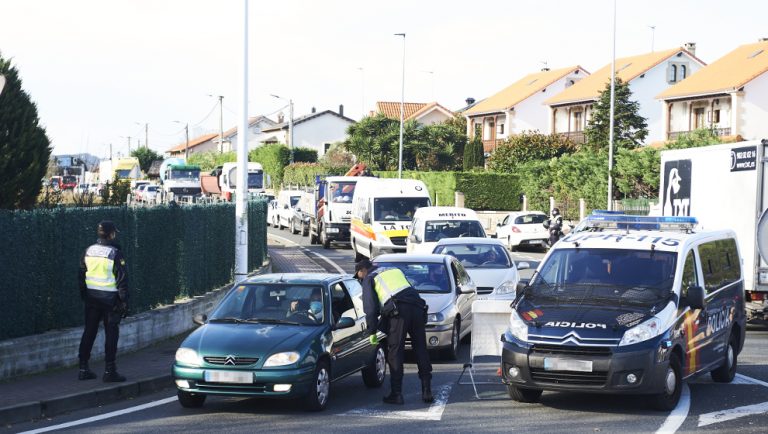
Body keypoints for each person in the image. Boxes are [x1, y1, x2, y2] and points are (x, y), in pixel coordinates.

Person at [356, 259, 433, 405]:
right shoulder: (394, 270)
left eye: (359, 276)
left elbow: (370, 309)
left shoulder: (369, 278)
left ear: (362, 271)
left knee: (395, 352)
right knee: (421, 349)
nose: (360, 279)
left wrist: (372, 332)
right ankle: (427, 390)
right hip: (417, 307)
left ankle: (396, 394)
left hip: (399, 312)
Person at [77, 220, 129, 382]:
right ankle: (109, 371)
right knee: (111, 334)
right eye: (114, 232)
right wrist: (124, 302)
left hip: (92, 298)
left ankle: (83, 368)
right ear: (110, 234)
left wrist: (85, 295)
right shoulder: (115, 253)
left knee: (89, 332)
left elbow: (81, 276)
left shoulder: (88, 251)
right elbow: (122, 280)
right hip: (111, 300)